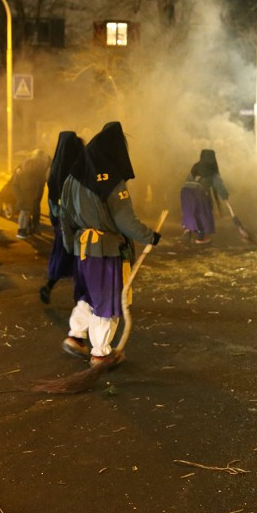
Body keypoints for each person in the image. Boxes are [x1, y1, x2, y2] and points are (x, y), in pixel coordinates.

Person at [58, 122, 159, 366]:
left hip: (83, 250)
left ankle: (76, 336)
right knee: (107, 300)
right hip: (105, 251)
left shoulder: (72, 177)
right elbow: (125, 220)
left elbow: (65, 217)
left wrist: (71, 245)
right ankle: (101, 353)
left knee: (88, 296)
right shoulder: (111, 181)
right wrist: (149, 236)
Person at [40, 132, 85, 304]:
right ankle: (79, 297)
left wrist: (56, 218)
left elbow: (52, 198)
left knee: (63, 254)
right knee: (79, 258)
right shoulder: (79, 167)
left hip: (62, 221)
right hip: (78, 220)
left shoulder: (55, 169)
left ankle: (50, 286)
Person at [180, 149, 229, 245]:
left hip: (185, 192)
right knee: (203, 213)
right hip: (198, 192)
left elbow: (189, 180)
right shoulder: (212, 171)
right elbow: (219, 186)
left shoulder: (196, 166)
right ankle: (200, 238)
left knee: (190, 212)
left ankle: (187, 230)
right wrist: (225, 196)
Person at [12, 149, 51, 238]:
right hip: (30, 192)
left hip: (32, 191)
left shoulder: (43, 162)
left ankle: (29, 227)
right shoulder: (31, 166)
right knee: (27, 211)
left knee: (29, 209)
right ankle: (25, 228)